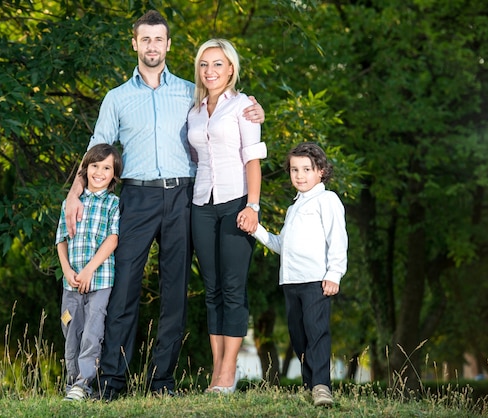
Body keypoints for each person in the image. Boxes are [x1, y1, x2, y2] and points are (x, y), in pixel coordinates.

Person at [64, 10, 265, 399]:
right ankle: (112, 382)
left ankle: (162, 381)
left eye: (159, 39)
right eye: (145, 40)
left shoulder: (191, 93)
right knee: (123, 290)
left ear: (168, 45)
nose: (152, 46)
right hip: (136, 197)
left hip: (182, 197)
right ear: (135, 44)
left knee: (175, 291)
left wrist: (254, 108)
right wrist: (75, 193)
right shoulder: (117, 98)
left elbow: (226, 116)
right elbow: (96, 149)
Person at [187, 38, 266, 394]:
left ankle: (229, 372)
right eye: (205, 64)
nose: (211, 71)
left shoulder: (244, 108)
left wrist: (253, 206)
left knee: (234, 289)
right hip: (202, 205)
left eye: (218, 64)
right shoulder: (194, 111)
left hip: (236, 203)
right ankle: (217, 369)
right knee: (212, 289)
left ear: (231, 69)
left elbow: (252, 159)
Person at [245, 142, 347, 407]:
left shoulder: (327, 200)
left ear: (321, 171)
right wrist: (256, 229)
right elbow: (282, 245)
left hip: (316, 280)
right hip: (291, 281)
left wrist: (334, 273)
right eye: (293, 170)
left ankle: (322, 386)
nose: (299, 175)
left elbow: (338, 239)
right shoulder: (293, 208)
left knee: (316, 333)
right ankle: (309, 386)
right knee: (298, 336)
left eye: (306, 169)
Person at [55, 144, 122, 401]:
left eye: (106, 168)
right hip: (70, 282)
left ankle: (84, 383)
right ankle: (72, 382)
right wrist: (68, 270)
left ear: (114, 174)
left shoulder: (113, 204)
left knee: (93, 331)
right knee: (70, 328)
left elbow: (112, 239)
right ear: (85, 169)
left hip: (99, 280)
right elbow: (61, 238)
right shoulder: (71, 203)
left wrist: (89, 270)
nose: (99, 172)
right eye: (94, 166)